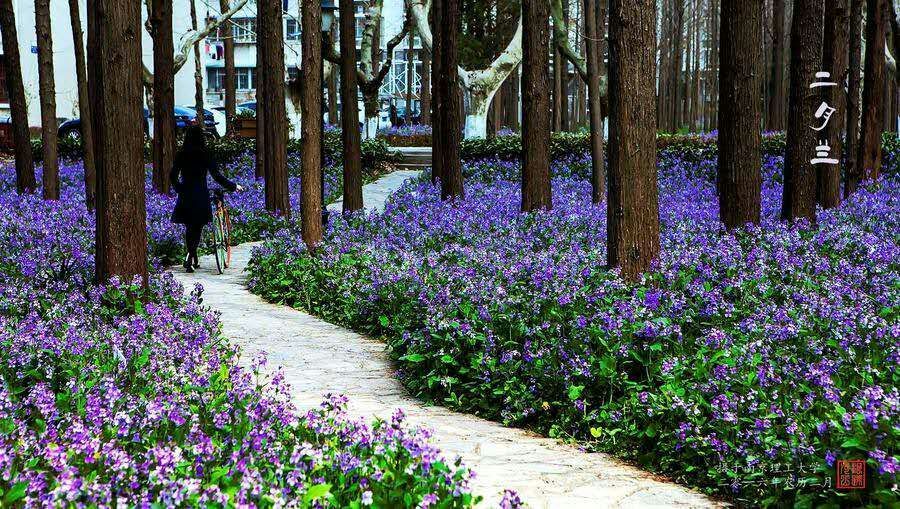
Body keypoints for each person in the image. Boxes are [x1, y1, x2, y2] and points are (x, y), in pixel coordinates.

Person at [170, 127, 243, 273]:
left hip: (186, 194)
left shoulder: (181, 154)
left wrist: (179, 189)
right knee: (197, 227)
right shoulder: (205, 154)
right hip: (200, 194)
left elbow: (172, 175)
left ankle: (191, 255)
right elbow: (217, 176)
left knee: (189, 226)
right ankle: (190, 255)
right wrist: (234, 186)